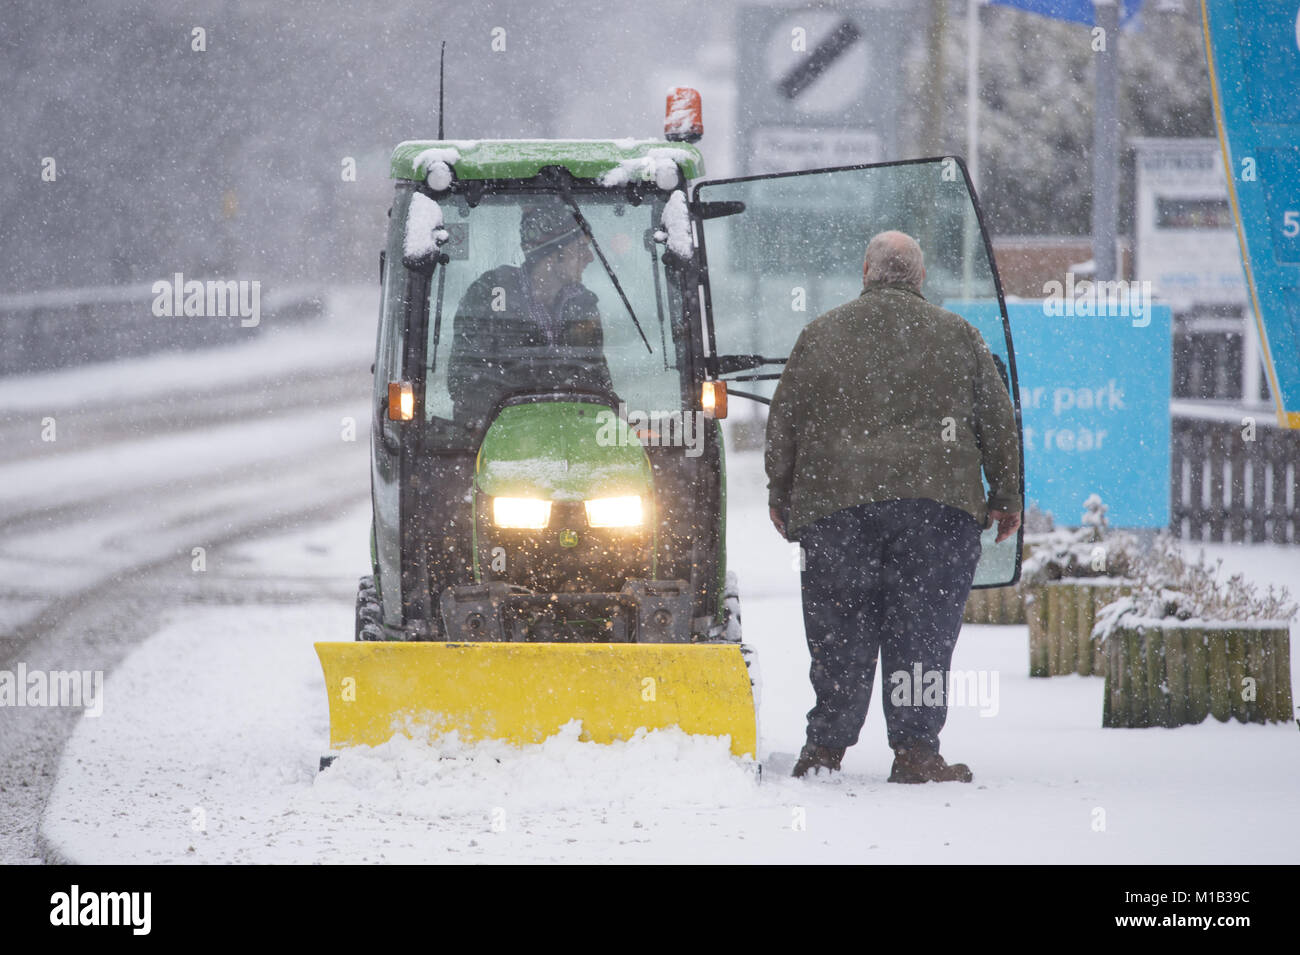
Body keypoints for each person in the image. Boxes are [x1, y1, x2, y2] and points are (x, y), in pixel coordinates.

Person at [765, 230, 1022, 783]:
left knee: (840, 629)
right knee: (923, 632)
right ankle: (916, 752)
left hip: (837, 509)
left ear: (865, 271)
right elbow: (998, 421)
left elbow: (783, 420)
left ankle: (825, 750)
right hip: (939, 509)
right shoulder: (959, 336)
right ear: (921, 277)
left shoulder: (821, 334)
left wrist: (780, 493)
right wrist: (1006, 497)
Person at [448, 203, 614, 426]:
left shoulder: (583, 305)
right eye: (582, 248)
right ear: (557, 253)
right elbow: (467, 380)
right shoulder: (489, 294)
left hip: (574, 432)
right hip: (499, 436)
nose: (590, 257)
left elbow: (597, 378)